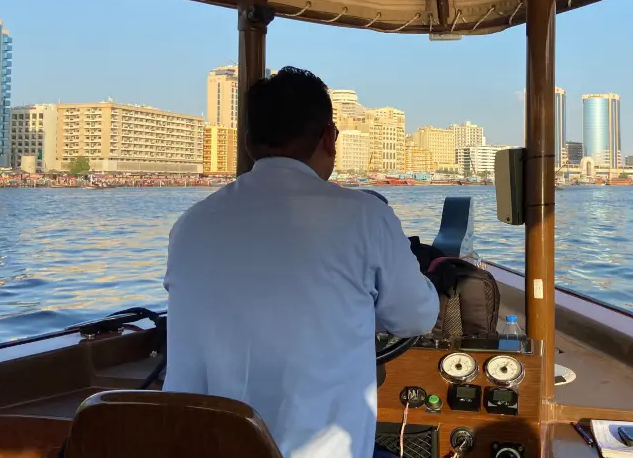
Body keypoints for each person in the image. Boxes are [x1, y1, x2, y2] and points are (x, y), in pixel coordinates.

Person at [162, 67, 440, 458]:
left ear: (248, 144)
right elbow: (416, 318)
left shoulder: (190, 224)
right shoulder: (364, 216)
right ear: (329, 138)